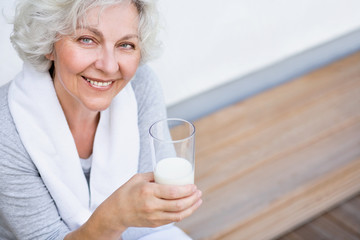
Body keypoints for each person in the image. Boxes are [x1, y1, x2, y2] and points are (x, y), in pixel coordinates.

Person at [0, 0, 202, 239]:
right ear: (48, 43)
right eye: (87, 39)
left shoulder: (140, 86)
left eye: (126, 44)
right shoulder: (7, 126)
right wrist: (115, 216)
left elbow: (155, 222)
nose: (108, 66)